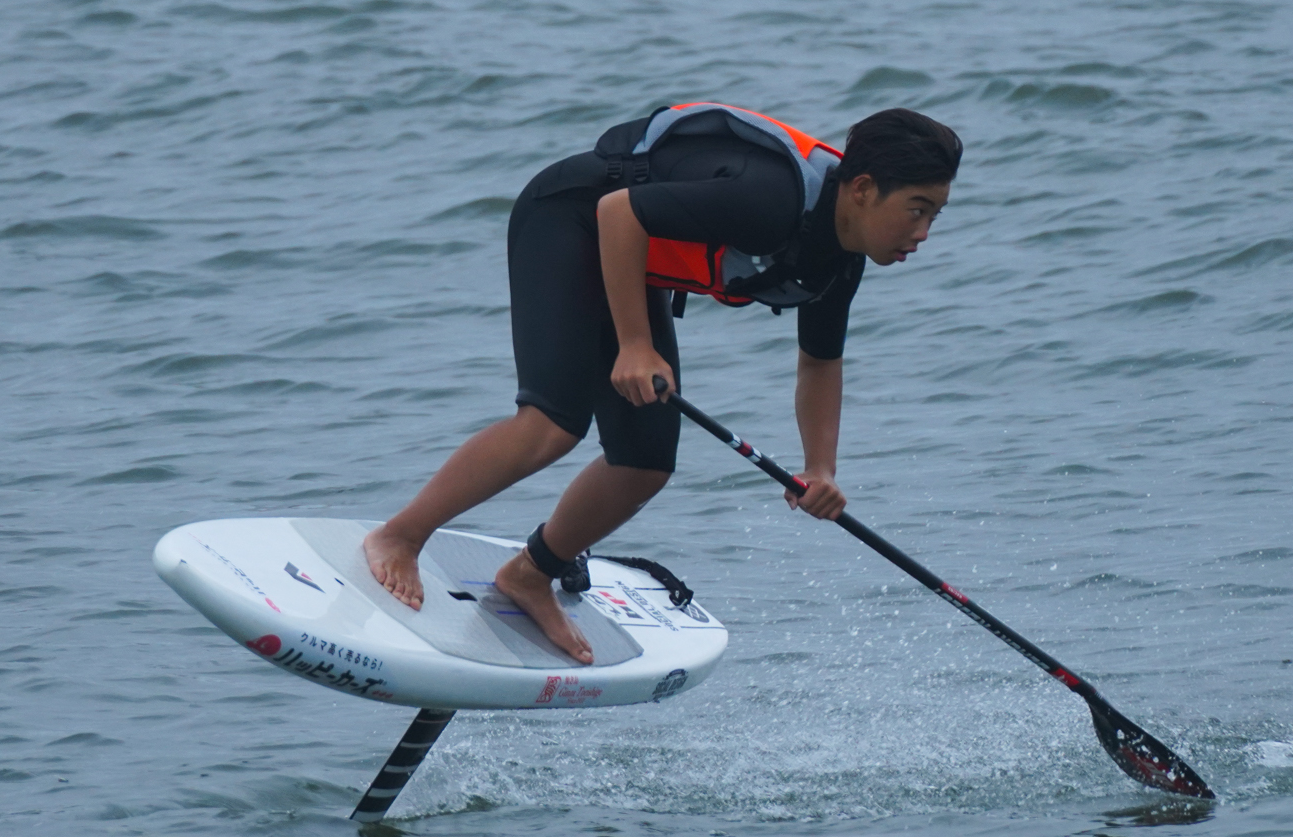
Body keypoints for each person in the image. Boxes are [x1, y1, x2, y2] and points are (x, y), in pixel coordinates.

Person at [363, 102, 961, 663]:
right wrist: (634, 344)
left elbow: (820, 363)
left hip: (627, 256)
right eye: (916, 209)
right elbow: (618, 212)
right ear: (862, 189)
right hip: (568, 218)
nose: (924, 233)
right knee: (553, 424)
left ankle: (529, 573)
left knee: (643, 463)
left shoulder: (838, 260)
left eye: (935, 214)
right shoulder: (772, 200)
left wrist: (819, 470)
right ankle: (401, 536)